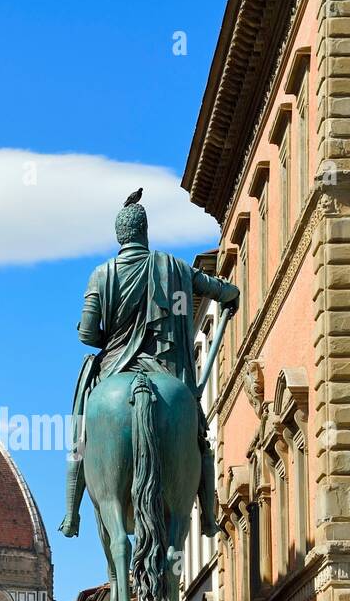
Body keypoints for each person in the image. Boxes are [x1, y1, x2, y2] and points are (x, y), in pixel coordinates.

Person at [59, 197, 239, 540]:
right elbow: (221, 291)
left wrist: (108, 338)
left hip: (113, 369)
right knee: (199, 438)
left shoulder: (101, 275)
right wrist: (232, 294)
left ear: (119, 236)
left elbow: (86, 334)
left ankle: (71, 515)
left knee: (80, 440)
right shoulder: (175, 268)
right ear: (144, 232)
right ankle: (208, 516)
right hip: (165, 371)